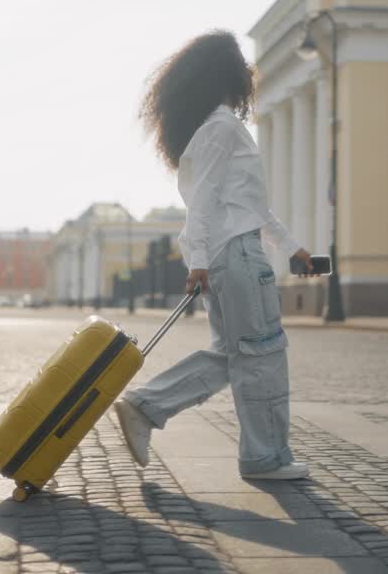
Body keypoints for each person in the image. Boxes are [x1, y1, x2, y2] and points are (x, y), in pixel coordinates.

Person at [114, 30, 317, 481]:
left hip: (233, 253)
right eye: (242, 63)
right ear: (227, 73)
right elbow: (202, 202)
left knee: (232, 355)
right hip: (237, 256)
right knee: (262, 355)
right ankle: (265, 458)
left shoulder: (213, 128)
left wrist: (292, 249)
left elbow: (250, 207)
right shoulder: (223, 127)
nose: (250, 72)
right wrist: (199, 262)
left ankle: (146, 407)